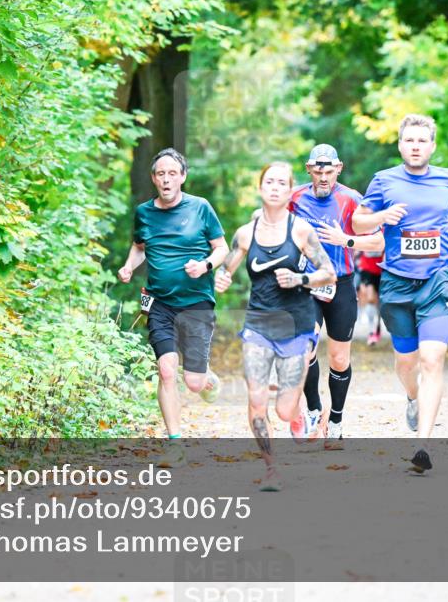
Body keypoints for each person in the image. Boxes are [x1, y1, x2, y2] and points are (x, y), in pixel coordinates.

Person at [352, 114, 448, 473]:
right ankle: (411, 396)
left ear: (432, 146)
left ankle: (422, 444)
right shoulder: (384, 181)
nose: (416, 146)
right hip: (397, 283)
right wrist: (382, 216)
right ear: (400, 144)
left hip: (437, 280)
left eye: (423, 140)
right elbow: (358, 221)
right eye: (410, 140)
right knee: (407, 363)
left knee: (432, 360)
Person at [215, 162, 336, 490]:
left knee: (284, 410)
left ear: (290, 190)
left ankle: (299, 415)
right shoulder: (245, 233)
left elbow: (329, 273)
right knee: (256, 399)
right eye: (269, 181)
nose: (274, 187)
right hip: (258, 324)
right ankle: (271, 468)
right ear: (260, 187)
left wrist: (300, 278)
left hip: (295, 326)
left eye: (282, 183)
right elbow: (227, 267)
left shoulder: (300, 231)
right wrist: (222, 277)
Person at [118, 148, 229, 459]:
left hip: (196, 302)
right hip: (159, 303)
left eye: (172, 174)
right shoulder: (144, 213)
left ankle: (206, 380)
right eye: (160, 174)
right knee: (167, 370)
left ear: (182, 177)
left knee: (193, 383)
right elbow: (139, 247)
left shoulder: (201, 208)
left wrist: (206, 265)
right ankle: (175, 444)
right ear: (154, 179)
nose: (166, 179)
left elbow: (221, 248)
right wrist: (129, 266)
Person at [290, 144, 382, 449]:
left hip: (341, 284)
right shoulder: (295, 198)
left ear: (338, 169)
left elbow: (380, 240)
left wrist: (347, 240)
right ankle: (315, 409)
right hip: (308, 285)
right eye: (318, 172)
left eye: (329, 171)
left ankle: (337, 418)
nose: (323, 177)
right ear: (309, 170)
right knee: (305, 349)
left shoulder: (353, 199)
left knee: (340, 358)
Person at [357, 247, 384, 345]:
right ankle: (371, 331)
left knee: (381, 303)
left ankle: (377, 327)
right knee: (370, 298)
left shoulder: (385, 231)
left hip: (382, 270)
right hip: (367, 269)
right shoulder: (363, 231)